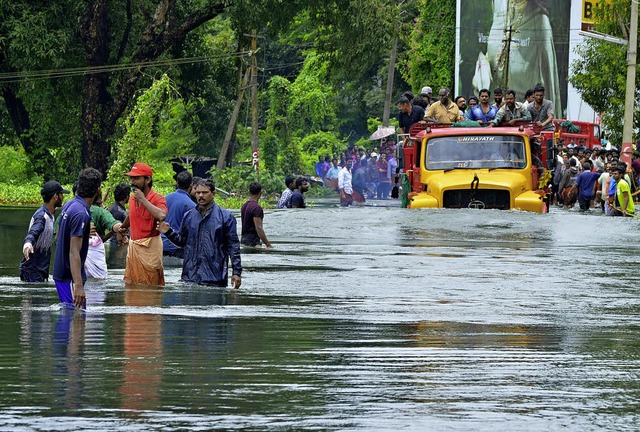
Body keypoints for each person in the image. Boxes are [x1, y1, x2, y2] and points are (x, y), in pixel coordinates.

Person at [157, 179, 242, 287]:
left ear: (213, 194)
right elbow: (182, 242)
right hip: (190, 277)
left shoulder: (225, 217)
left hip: (215, 278)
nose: (201, 196)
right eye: (198, 193)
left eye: (205, 192)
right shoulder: (189, 216)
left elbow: (233, 247)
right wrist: (168, 232)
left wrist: (236, 272)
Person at [53, 168, 102, 309]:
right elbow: (74, 252)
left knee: (72, 320)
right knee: (75, 318)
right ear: (98, 190)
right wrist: (79, 286)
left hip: (64, 273)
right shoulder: (81, 213)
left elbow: (58, 236)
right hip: (69, 277)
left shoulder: (70, 204)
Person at [118, 162, 167, 286]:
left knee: (151, 287)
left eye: (137, 178)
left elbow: (161, 215)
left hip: (150, 250)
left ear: (148, 179)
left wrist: (143, 200)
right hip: (134, 248)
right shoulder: (132, 198)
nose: (133, 182)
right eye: (131, 178)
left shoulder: (158, 198)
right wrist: (123, 227)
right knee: (132, 286)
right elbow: (132, 215)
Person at [20, 181, 70, 282]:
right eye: (61, 194)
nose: (63, 197)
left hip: (40, 270)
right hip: (32, 271)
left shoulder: (50, 214)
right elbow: (34, 232)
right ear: (55, 196)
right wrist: (28, 243)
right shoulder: (42, 216)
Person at [86, 193, 123, 279]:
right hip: (94, 260)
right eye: (100, 203)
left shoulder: (68, 209)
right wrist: (119, 228)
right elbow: (113, 223)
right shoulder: (100, 212)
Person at [162, 170, 195, 258]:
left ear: (177, 183)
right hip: (176, 248)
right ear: (191, 185)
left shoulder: (164, 199)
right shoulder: (191, 206)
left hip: (160, 245)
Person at [240, 181, 273, 248]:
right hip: (253, 242)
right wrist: (268, 244)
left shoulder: (244, 206)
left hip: (243, 240)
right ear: (260, 193)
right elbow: (258, 228)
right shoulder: (257, 208)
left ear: (249, 192)